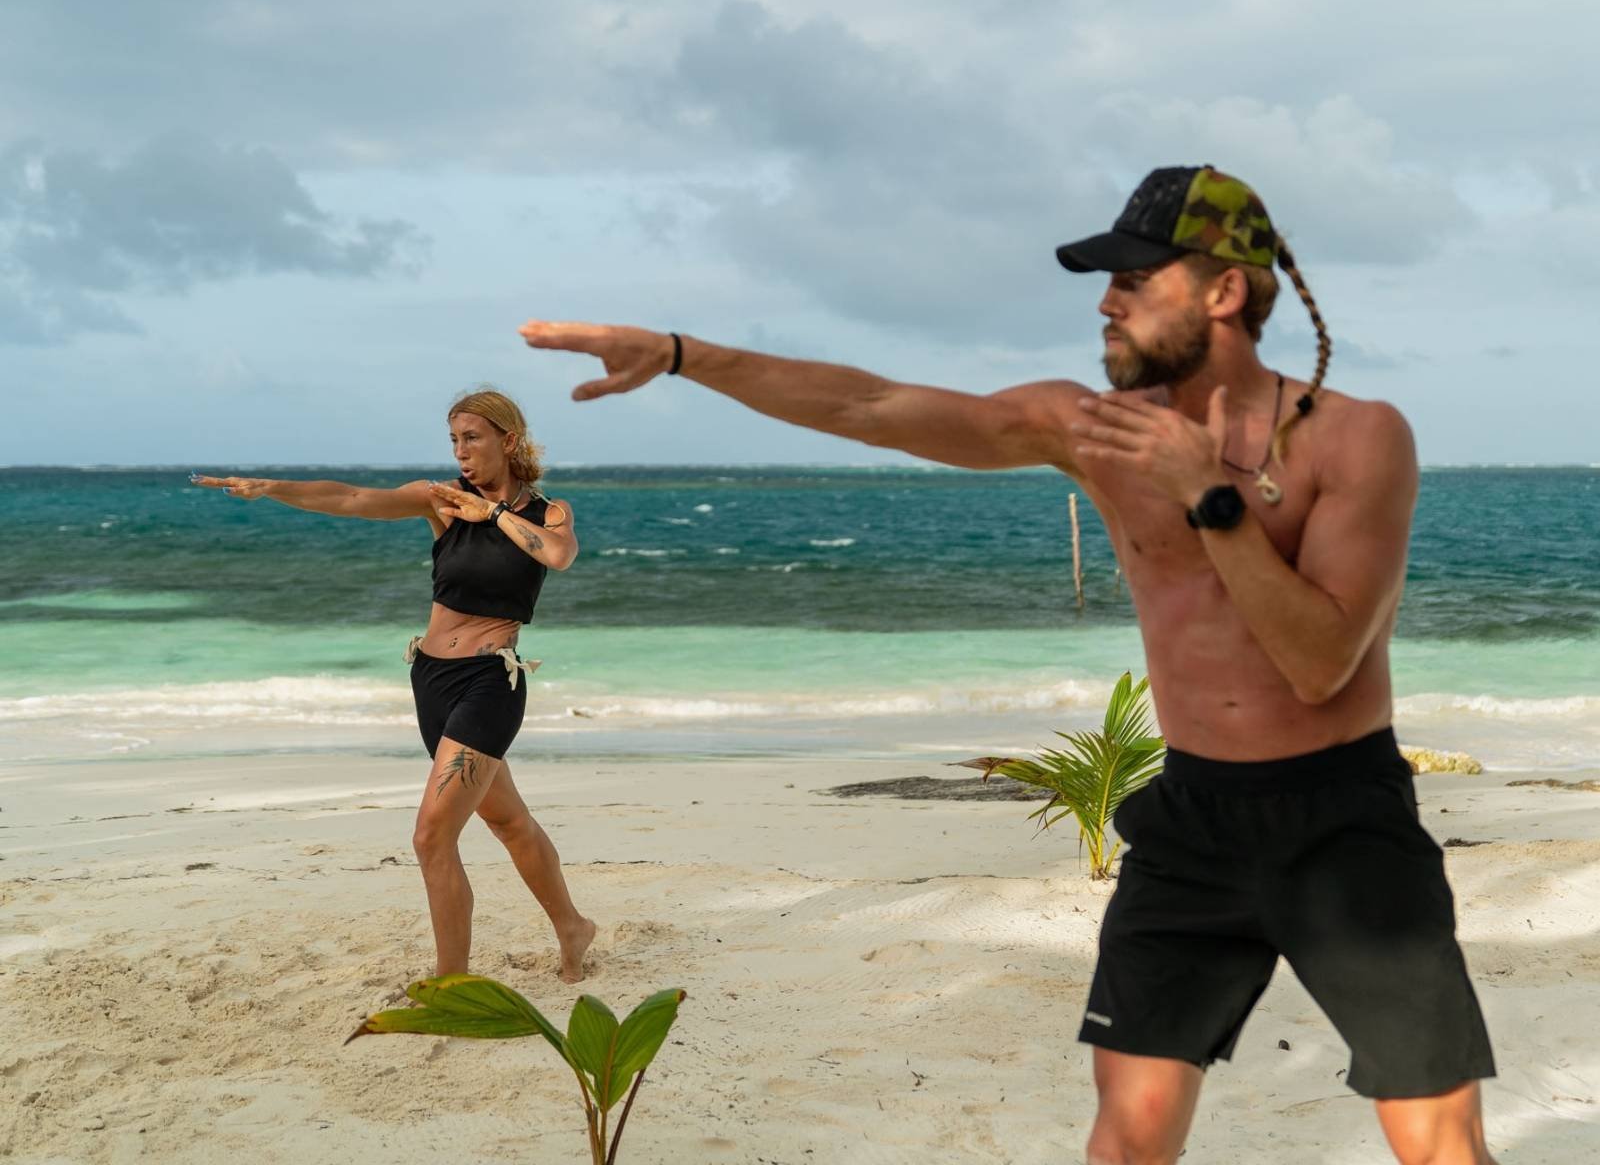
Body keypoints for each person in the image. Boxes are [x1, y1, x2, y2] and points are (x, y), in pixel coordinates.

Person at [516, 166, 1497, 1163]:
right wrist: (682, 354)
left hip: (1343, 822)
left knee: (1436, 1147)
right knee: (1125, 1144)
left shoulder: (1357, 437)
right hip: (1191, 823)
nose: (1106, 303)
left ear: (1224, 292)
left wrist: (1208, 497)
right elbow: (869, 404)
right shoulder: (1088, 429)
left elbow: (1322, 661)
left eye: (1135, 280)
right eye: (1103, 282)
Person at [193, 389, 596, 983]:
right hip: (430, 680)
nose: (460, 451)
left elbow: (558, 556)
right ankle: (572, 925)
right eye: (454, 439)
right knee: (508, 822)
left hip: (489, 684)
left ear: (508, 440)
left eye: (473, 437)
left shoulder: (548, 511)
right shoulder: (441, 503)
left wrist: (493, 515)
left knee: (432, 836)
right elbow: (354, 498)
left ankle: (450, 985)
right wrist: (275, 488)